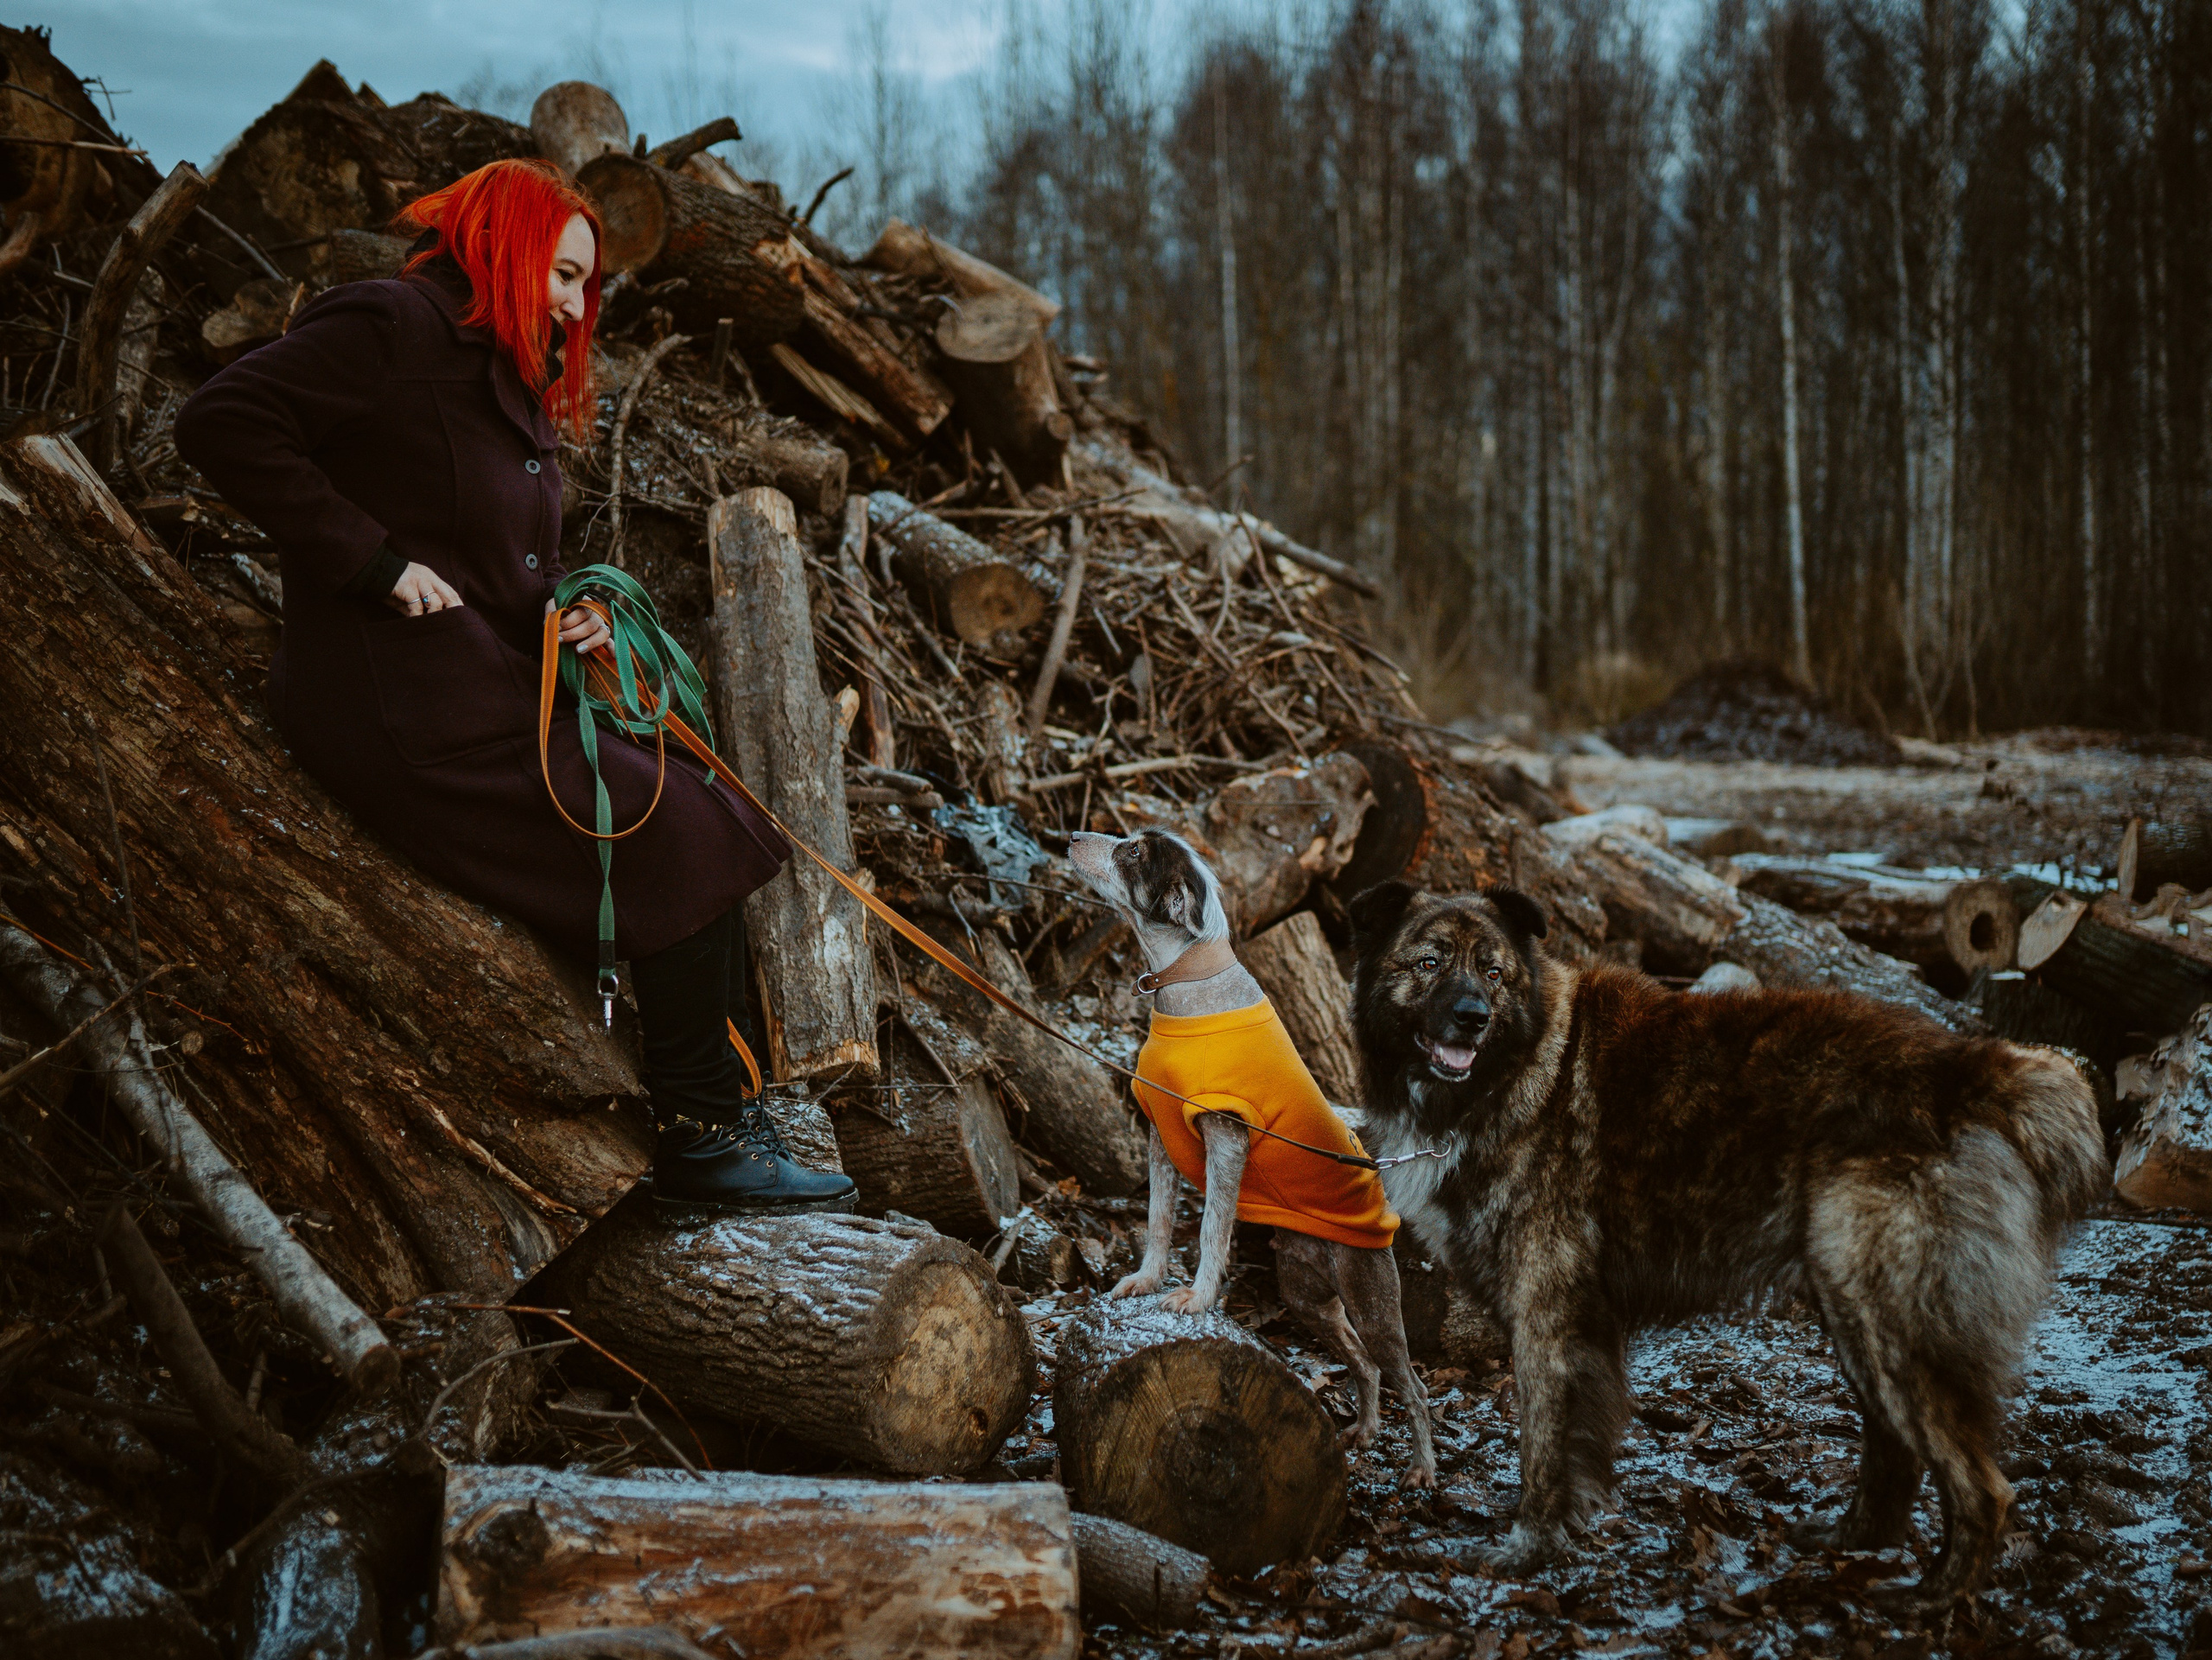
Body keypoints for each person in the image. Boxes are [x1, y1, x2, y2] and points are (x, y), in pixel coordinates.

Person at [175, 159, 853, 1212]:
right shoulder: (391, 325)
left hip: (481, 688)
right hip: (395, 707)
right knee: (665, 824)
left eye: (589, 287)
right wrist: (372, 561)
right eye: (566, 275)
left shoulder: (503, 367)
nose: (578, 307)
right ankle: (700, 1139)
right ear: (508, 245)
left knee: (703, 796)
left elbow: (492, 558)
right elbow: (222, 421)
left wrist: (565, 615)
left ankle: (724, 1108)